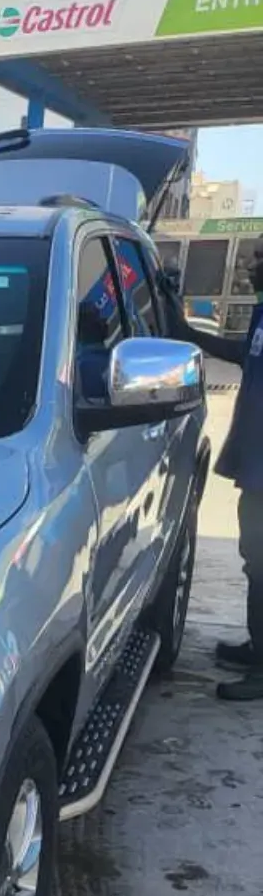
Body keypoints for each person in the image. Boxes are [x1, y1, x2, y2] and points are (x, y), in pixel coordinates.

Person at [163, 246, 263, 702]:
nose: (250, 266)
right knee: (254, 560)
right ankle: (258, 649)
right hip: (255, 463)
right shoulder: (262, 313)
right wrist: (182, 328)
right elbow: (242, 354)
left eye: (260, 258)